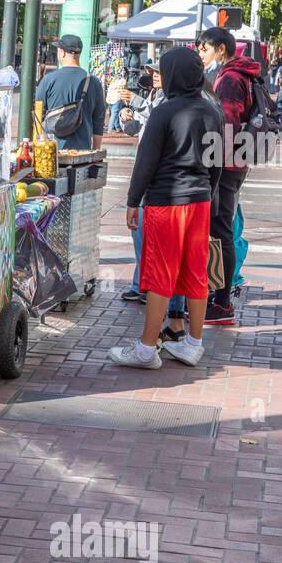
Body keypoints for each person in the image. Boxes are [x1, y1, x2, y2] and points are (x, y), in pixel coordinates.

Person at [108, 47, 223, 370]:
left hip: (166, 201)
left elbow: (146, 162)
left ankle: (146, 348)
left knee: (160, 274)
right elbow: (217, 164)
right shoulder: (212, 111)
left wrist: (133, 201)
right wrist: (208, 193)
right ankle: (193, 343)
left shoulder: (164, 111)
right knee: (195, 272)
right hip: (199, 200)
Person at [198, 26, 261, 326]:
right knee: (221, 228)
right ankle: (218, 296)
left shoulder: (231, 78)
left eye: (204, 49)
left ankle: (221, 302)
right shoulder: (238, 74)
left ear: (221, 49)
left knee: (221, 230)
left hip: (226, 164)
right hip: (233, 162)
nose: (201, 54)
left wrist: (210, 162)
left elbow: (227, 124)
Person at [118, 61, 164, 305]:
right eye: (153, 72)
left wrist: (135, 102)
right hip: (148, 171)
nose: (154, 76)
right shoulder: (156, 96)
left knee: (149, 235)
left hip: (158, 176)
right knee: (141, 233)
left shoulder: (168, 100)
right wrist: (127, 116)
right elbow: (137, 128)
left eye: (159, 72)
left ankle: (148, 286)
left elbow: (156, 115)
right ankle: (141, 283)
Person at [35, 34, 105, 151]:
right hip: (83, 152)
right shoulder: (93, 82)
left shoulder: (48, 80)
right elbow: (98, 122)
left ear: (62, 53)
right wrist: (95, 151)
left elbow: (38, 116)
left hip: (51, 152)